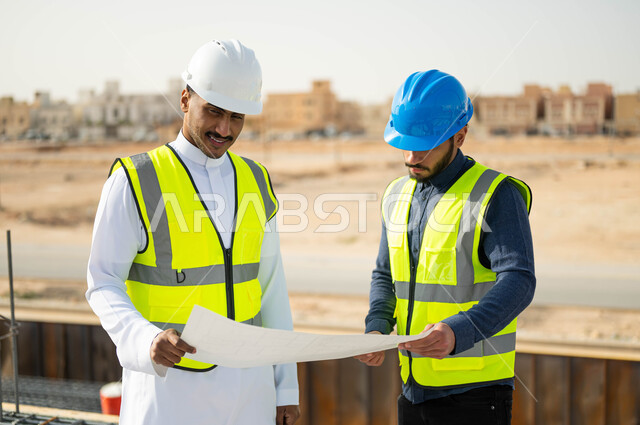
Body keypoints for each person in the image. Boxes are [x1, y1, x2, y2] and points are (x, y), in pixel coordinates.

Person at [86, 39, 300, 425]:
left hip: (250, 391)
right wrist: (144, 339)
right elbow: (102, 282)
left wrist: (285, 388)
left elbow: (271, 288)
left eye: (237, 117)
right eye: (213, 111)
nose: (224, 128)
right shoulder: (135, 180)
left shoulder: (256, 179)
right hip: (171, 393)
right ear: (185, 99)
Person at [355, 70, 535, 425]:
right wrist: (377, 324)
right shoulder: (396, 194)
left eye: (424, 145)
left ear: (460, 135)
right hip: (412, 388)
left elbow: (519, 281)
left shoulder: (496, 194)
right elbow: (385, 272)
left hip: (474, 398)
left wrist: (459, 331)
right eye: (405, 143)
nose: (411, 157)